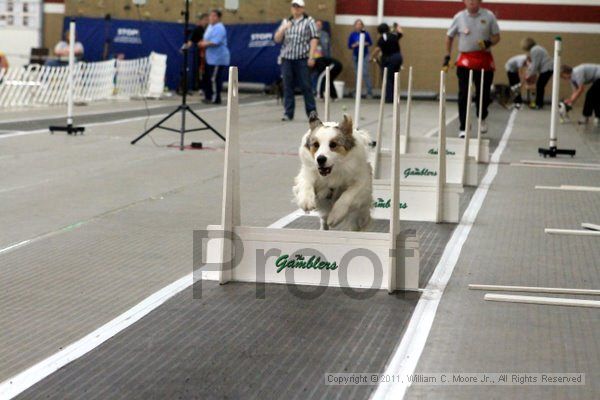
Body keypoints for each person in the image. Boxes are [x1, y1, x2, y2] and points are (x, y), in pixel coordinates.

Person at [444, 0, 500, 138]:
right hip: (465, 59)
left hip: (484, 59)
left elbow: (497, 37)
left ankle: (482, 117)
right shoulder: (459, 17)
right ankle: (463, 127)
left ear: (480, 1)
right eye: (468, 0)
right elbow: (449, 37)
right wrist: (447, 56)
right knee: (463, 94)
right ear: (464, 2)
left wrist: (489, 42)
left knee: (484, 93)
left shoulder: (489, 16)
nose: (471, 3)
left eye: (474, 0)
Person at [274, 0, 318, 121]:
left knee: (306, 86)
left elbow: (314, 39)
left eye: (298, 7)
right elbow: (277, 39)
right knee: (287, 85)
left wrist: (311, 56)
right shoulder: (286, 21)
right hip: (287, 58)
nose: (296, 9)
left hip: (302, 58)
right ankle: (288, 113)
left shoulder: (309, 21)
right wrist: (283, 28)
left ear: (303, 8)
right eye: (294, 7)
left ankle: (312, 113)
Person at [199, 9, 230, 104]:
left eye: (214, 16)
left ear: (218, 18)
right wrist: (202, 43)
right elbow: (206, 39)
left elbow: (215, 42)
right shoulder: (210, 27)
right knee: (208, 78)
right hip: (210, 58)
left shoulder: (220, 28)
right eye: (210, 15)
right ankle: (209, 96)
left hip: (218, 58)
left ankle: (216, 98)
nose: (211, 18)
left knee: (214, 78)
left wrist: (204, 44)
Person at [370, 23, 404, 103]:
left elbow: (377, 49)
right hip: (398, 57)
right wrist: (397, 26)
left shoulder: (383, 38)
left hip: (390, 59)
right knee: (394, 78)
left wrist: (371, 57)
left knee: (388, 78)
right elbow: (401, 32)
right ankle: (395, 97)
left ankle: (389, 98)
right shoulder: (394, 35)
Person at [521, 38, 552, 109]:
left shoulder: (534, 50)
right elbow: (534, 65)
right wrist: (530, 73)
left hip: (547, 69)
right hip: (547, 68)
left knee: (540, 86)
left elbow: (535, 65)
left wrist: (529, 75)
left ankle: (538, 104)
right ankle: (539, 103)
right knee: (540, 86)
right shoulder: (537, 48)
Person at [347, 19, 373, 98]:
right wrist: (355, 44)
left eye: (360, 24)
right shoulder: (352, 34)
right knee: (357, 74)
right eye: (357, 24)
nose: (358, 26)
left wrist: (363, 43)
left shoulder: (366, 34)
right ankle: (357, 91)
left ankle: (369, 92)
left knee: (365, 73)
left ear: (362, 26)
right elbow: (349, 45)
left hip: (364, 55)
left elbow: (370, 43)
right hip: (356, 55)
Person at [186, 13, 209, 92]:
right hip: (199, 52)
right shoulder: (197, 29)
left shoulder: (208, 29)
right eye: (205, 20)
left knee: (206, 70)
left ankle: (205, 86)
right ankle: (199, 87)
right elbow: (191, 40)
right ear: (201, 20)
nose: (206, 22)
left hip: (208, 53)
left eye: (207, 20)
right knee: (200, 69)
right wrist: (185, 48)